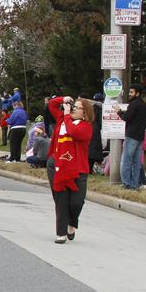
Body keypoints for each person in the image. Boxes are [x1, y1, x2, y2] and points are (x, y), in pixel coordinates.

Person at [47, 96, 94, 244]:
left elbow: (74, 132)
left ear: (85, 113)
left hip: (78, 169)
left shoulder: (86, 126)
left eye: (77, 107)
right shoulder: (63, 119)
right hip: (58, 166)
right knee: (61, 201)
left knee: (76, 202)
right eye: (73, 106)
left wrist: (67, 115)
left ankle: (71, 223)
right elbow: (52, 105)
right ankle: (61, 233)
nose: (73, 109)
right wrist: (64, 99)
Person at [118, 83, 146, 189]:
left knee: (126, 160)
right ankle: (135, 184)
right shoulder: (144, 106)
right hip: (140, 136)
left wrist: (118, 111)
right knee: (136, 162)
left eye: (132, 92)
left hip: (131, 136)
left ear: (137, 93)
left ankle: (126, 183)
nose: (129, 94)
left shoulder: (134, 104)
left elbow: (127, 117)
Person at [88, 93, 105, 173]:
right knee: (94, 152)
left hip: (88, 130)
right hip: (96, 132)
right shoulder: (100, 110)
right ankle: (91, 169)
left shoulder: (89, 109)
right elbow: (102, 123)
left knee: (89, 151)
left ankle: (89, 169)